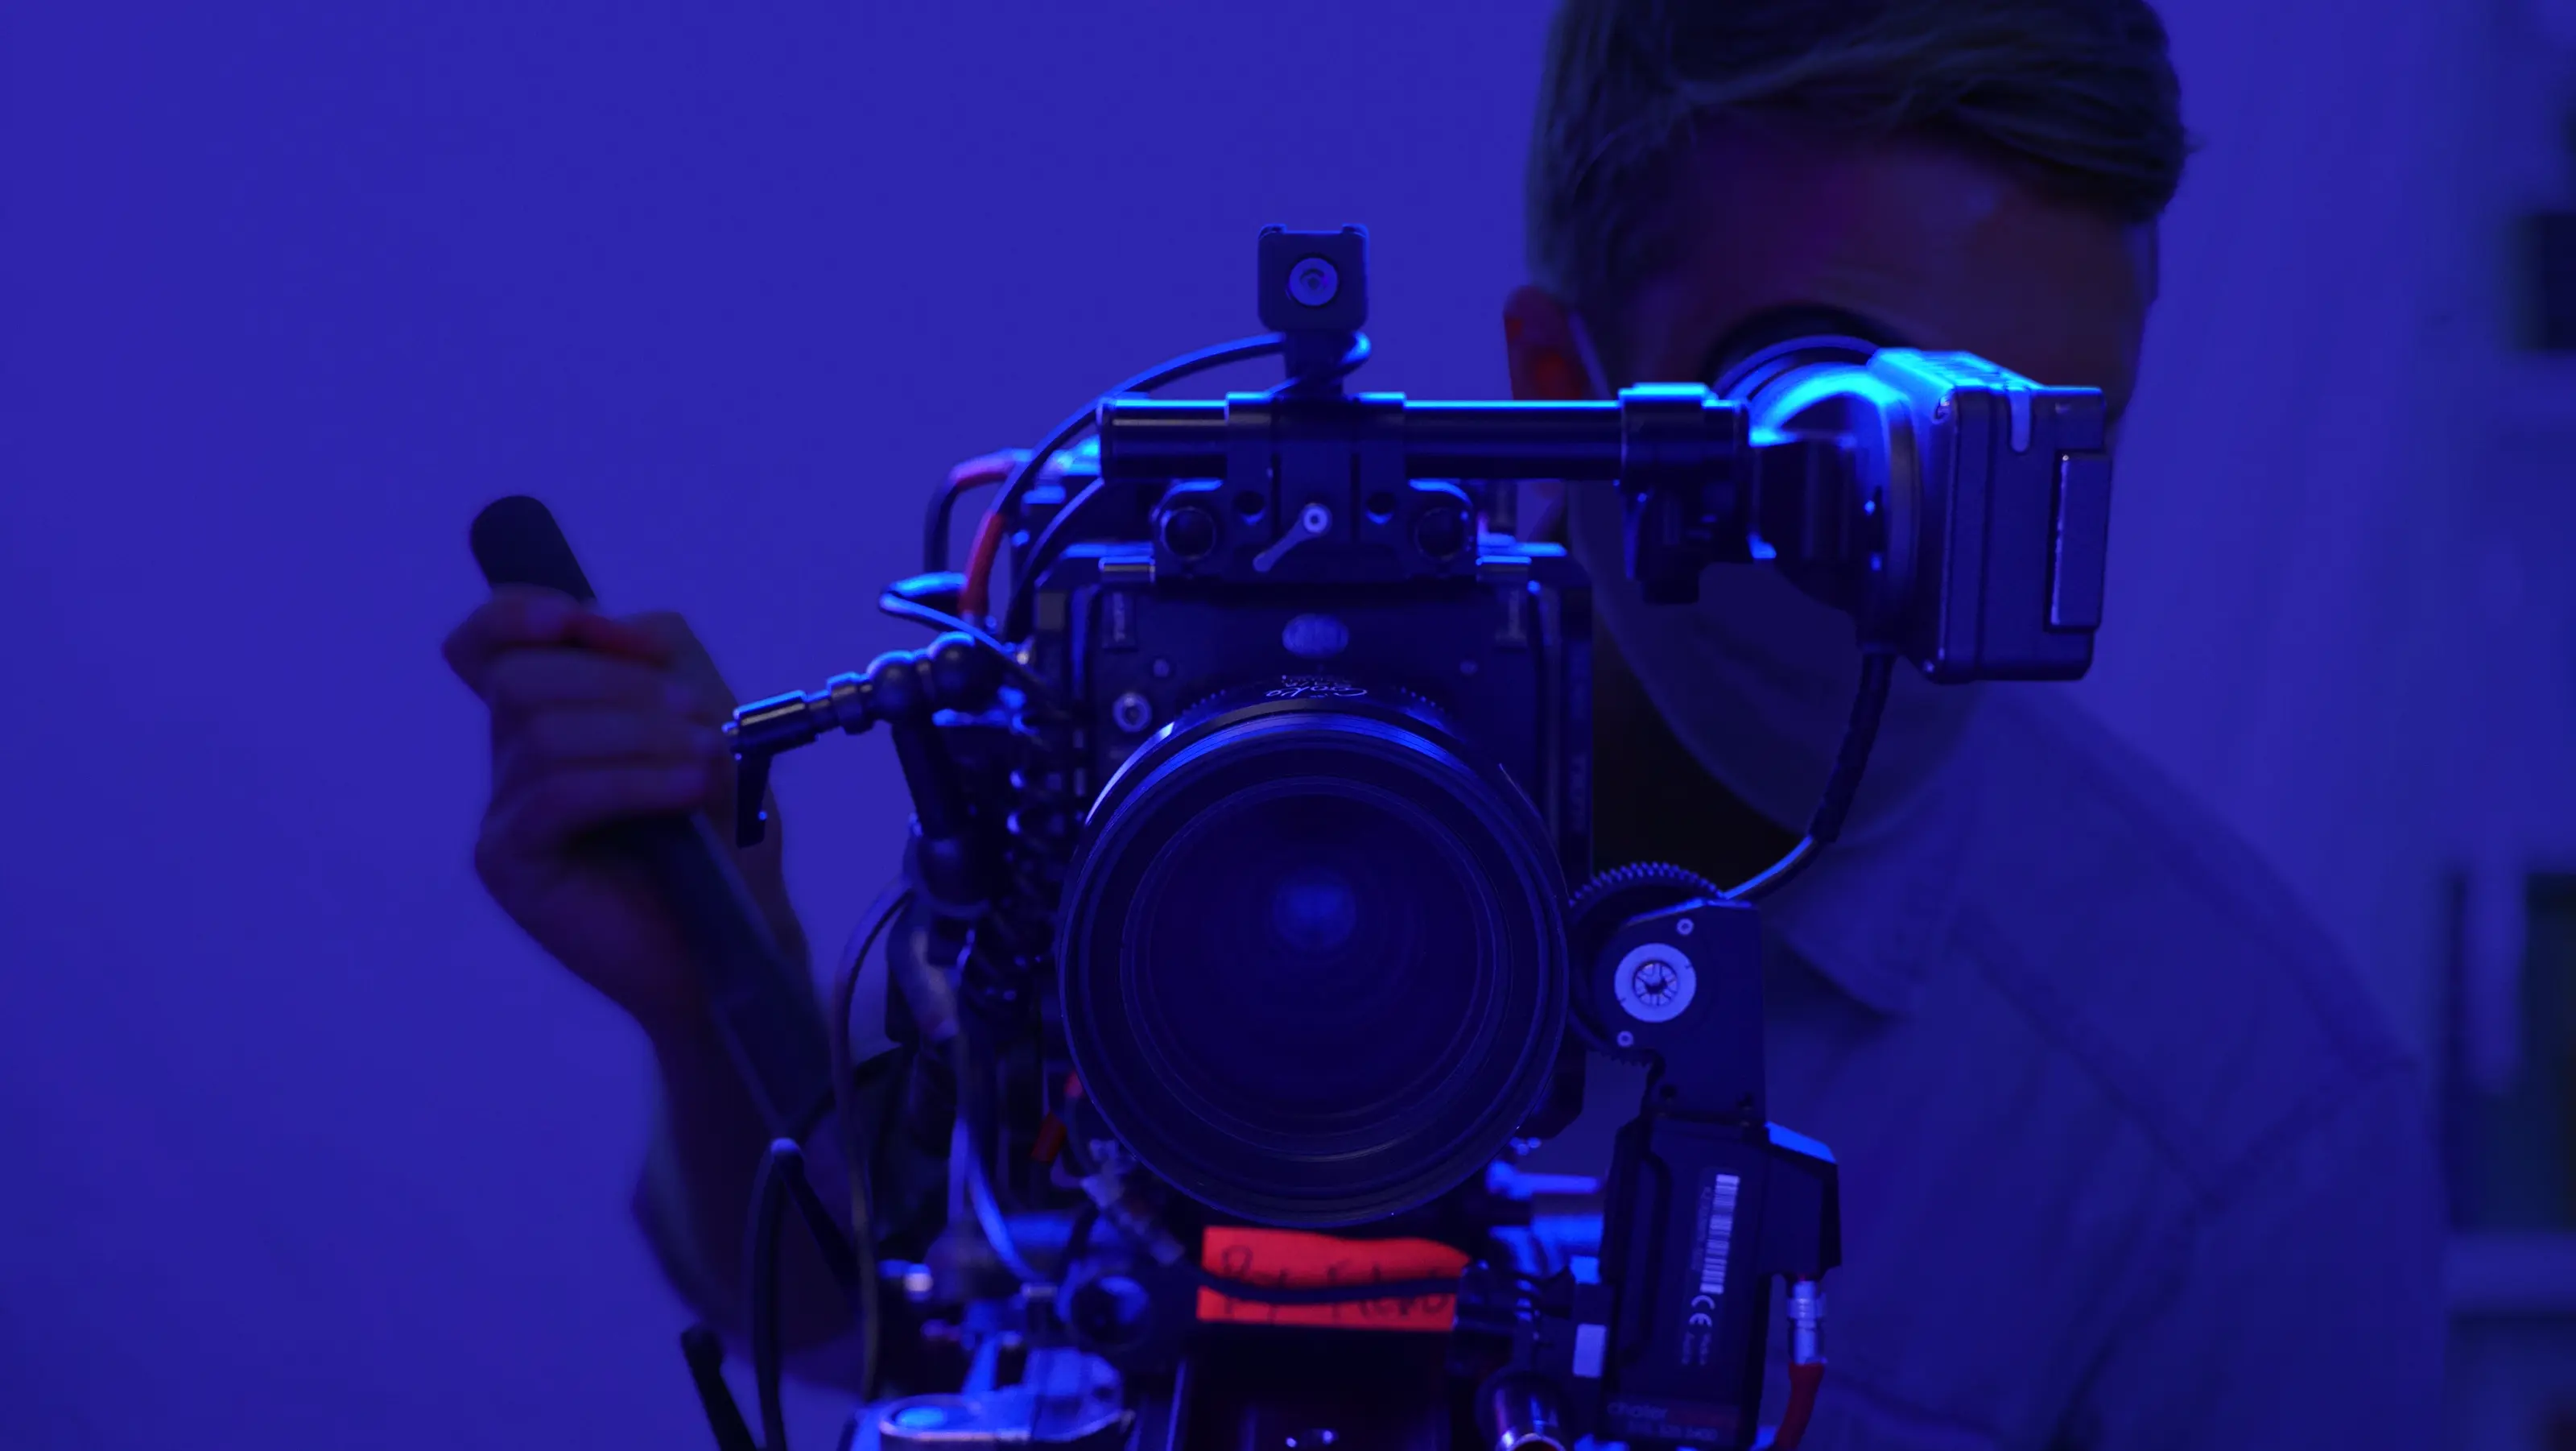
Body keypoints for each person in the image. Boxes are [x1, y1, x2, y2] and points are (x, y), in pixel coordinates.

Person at [442, 0, 2446, 1443]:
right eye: (1833, 430)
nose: (1915, 549)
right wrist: (722, 993)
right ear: (1554, 382)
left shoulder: (2235, 1133)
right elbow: (840, 1318)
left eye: (2040, 460)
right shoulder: (1173, 757)